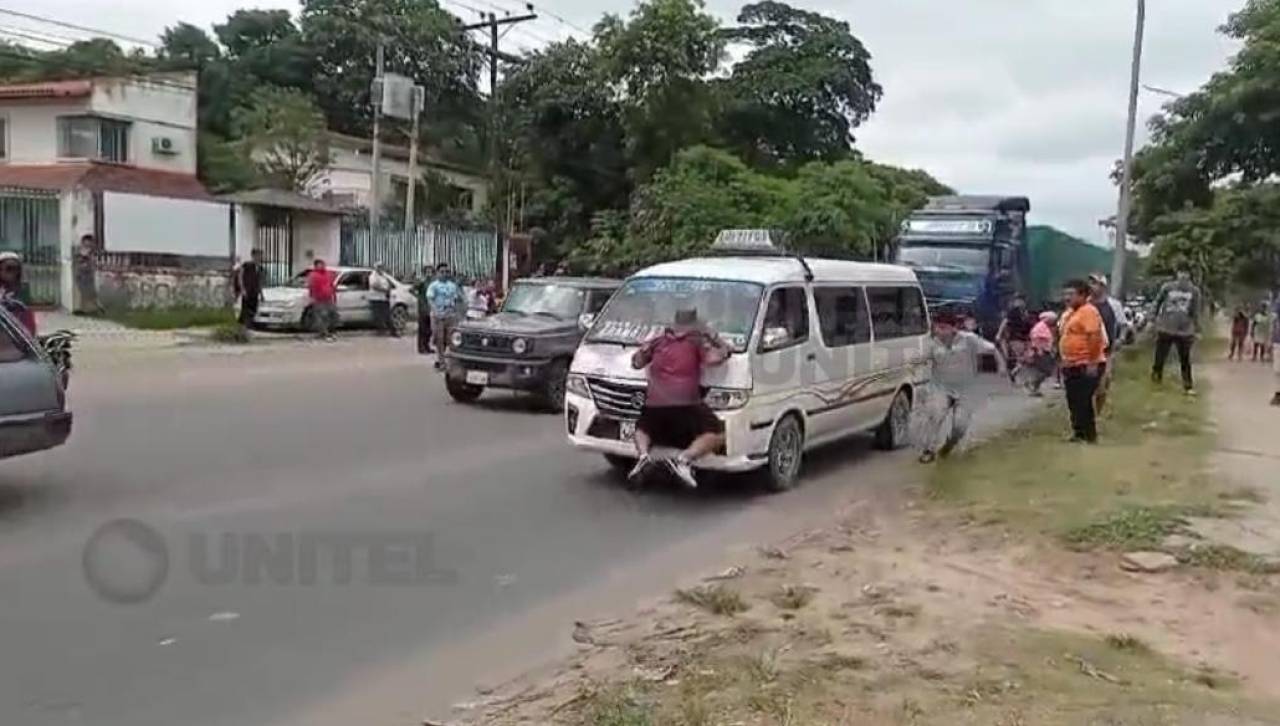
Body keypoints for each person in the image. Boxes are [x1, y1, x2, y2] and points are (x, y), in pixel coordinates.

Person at [628, 309, 731, 487]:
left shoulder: (658, 341)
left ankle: (643, 455)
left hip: (655, 403)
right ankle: (683, 460)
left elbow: (636, 363)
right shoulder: (696, 341)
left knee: (643, 426)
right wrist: (718, 341)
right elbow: (716, 358)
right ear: (694, 324)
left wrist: (642, 350)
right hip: (685, 402)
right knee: (718, 433)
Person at [912, 311, 1005, 463]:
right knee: (935, 415)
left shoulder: (969, 339)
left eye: (943, 328)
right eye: (937, 328)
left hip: (966, 388)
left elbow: (991, 349)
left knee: (960, 424)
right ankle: (929, 449)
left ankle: (950, 444)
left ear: (953, 328)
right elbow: (919, 361)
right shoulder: (932, 343)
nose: (939, 331)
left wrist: (1000, 367)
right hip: (941, 387)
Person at [1059, 279, 1107, 443]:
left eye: (1071, 294)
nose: (1066, 297)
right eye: (1065, 294)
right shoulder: (1072, 313)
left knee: (1083, 400)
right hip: (1071, 364)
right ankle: (1078, 432)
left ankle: (1089, 435)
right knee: (1073, 400)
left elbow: (1094, 337)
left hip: (1086, 364)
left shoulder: (1088, 311)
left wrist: (1092, 362)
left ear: (1083, 295)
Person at [1151, 269, 1201, 395]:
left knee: (1185, 359)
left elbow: (1195, 311)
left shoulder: (1194, 291)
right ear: (1177, 275)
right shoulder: (1167, 287)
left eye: (1186, 274)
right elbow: (1157, 302)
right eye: (1181, 273)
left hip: (1184, 331)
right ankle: (1156, 381)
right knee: (1160, 357)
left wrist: (1197, 328)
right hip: (1166, 327)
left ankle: (1187, 385)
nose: (1183, 276)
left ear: (1189, 276)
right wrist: (1152, 318)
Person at [426, 263, 464, 369]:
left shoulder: (452, 286)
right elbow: (430, 299)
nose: (444, 274)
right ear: (437, 273)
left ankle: (449, 360)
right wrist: (436, 311)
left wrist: (457, 313)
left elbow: (457, 300)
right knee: (439, 338)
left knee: (450, 339)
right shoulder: (434, 285)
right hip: (438, 316)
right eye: (442, 272)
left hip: (450, 315)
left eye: (446, 272)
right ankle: (441, 361)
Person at [996, 295, 1033, 382]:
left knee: (1027, 356)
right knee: (1020, 356)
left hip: (1026, 337)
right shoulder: (1013, 312)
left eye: (1022, 301)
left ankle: (1015, 372)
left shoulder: (1025, 312)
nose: (1020, 303)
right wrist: (999, 333)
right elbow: (1005, 322)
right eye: (1018, 301)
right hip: (1016, 337)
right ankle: (1017, 375)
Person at [0, 251, 37, 335]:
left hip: (21, 330)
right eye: (1, 268)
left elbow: (26, 310)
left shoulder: (23, 288)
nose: (5, 272)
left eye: (13, 268)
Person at [1025, 310, 1058, 397]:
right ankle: (1032, 383)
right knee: (1045, 370)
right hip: (1041, 351)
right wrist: (1039, 349)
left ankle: (1034, 387)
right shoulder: (1040, 327)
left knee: (1044, 370)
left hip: (1045, 351)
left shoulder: (1044, 327)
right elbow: (1036, 339)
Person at [307, 259, 338, 341]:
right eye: (320, 265)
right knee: (322, 316)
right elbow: (311, 287)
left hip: (328, 298)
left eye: (323, 264)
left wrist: (334, 295)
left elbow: (332, 285)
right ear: (316, 266)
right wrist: (312, 297)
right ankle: (324, 333)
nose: (322, 266)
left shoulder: (328, 274)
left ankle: (330, 332)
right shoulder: (313, 275)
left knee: (332, 315)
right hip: (319, 299)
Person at [237, 249, 264, 332]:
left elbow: (259, 281)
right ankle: (244, 326)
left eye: (260, 256)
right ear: (252, 256)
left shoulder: (260, 268)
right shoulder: (246, 265)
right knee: (245, 309)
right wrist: (242, 289)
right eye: (256, 255)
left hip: (254, 291)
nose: (258, 258)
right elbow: (240, 277)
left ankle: (249, 325)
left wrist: (261, 294)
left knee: (253, 309)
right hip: (247, 291)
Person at [74, 234, 101, 315]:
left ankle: (93, 308)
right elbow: (78, 261)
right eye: (86, 242)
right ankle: (84, 308)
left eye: (89, 242)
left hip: (89, 274)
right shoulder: (79, 251)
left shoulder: (93, 252)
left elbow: (93, 262)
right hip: (81, 274)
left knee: (90, 292)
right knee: (83, 292)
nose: (88, 244)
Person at [368, 262, 397, 337]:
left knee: (387, 315)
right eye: (379, 267)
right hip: (376, 298)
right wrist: (384, 289)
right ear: (376, 268)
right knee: (378, 316)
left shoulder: (384, 275)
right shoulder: (373, 276)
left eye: (382, 267)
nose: (381, 268)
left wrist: (389, 288)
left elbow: (391, 282)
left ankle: (392, 331)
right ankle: (381, 330)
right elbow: (374, 286)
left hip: (384, 298)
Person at [411, 265, 434, 355]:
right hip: (423, 308)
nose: (429, 273)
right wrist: (418, 297)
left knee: (429, 329)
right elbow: (412, 289)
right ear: (425, 272)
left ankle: (427, 346)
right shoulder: (422, 281)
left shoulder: (432, 282)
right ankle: (421, 347)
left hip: (431, 308)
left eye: (430, 271)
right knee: (422, 329)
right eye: (427, 272)